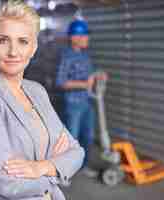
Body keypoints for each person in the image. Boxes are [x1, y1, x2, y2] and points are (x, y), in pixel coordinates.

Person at [0, 1, 84, 200]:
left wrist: (41, 167)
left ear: (33, 48)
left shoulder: (37, 90)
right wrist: (57, 169)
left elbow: (77, 152)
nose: (13, 52)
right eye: (3, 40)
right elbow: (10, 186)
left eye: (23, 41)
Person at [55, 19, 107, 177]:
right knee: (72, 140)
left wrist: (99, 75)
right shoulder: (66, 56)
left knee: (88, 137)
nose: (87, 39)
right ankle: (64, 172)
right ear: (74, 37)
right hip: (73, 105)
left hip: (87, 102)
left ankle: (83, 167)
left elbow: (88, 76)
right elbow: (61, 82)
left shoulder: (85, 55)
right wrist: (85, 84)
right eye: (85, 35)